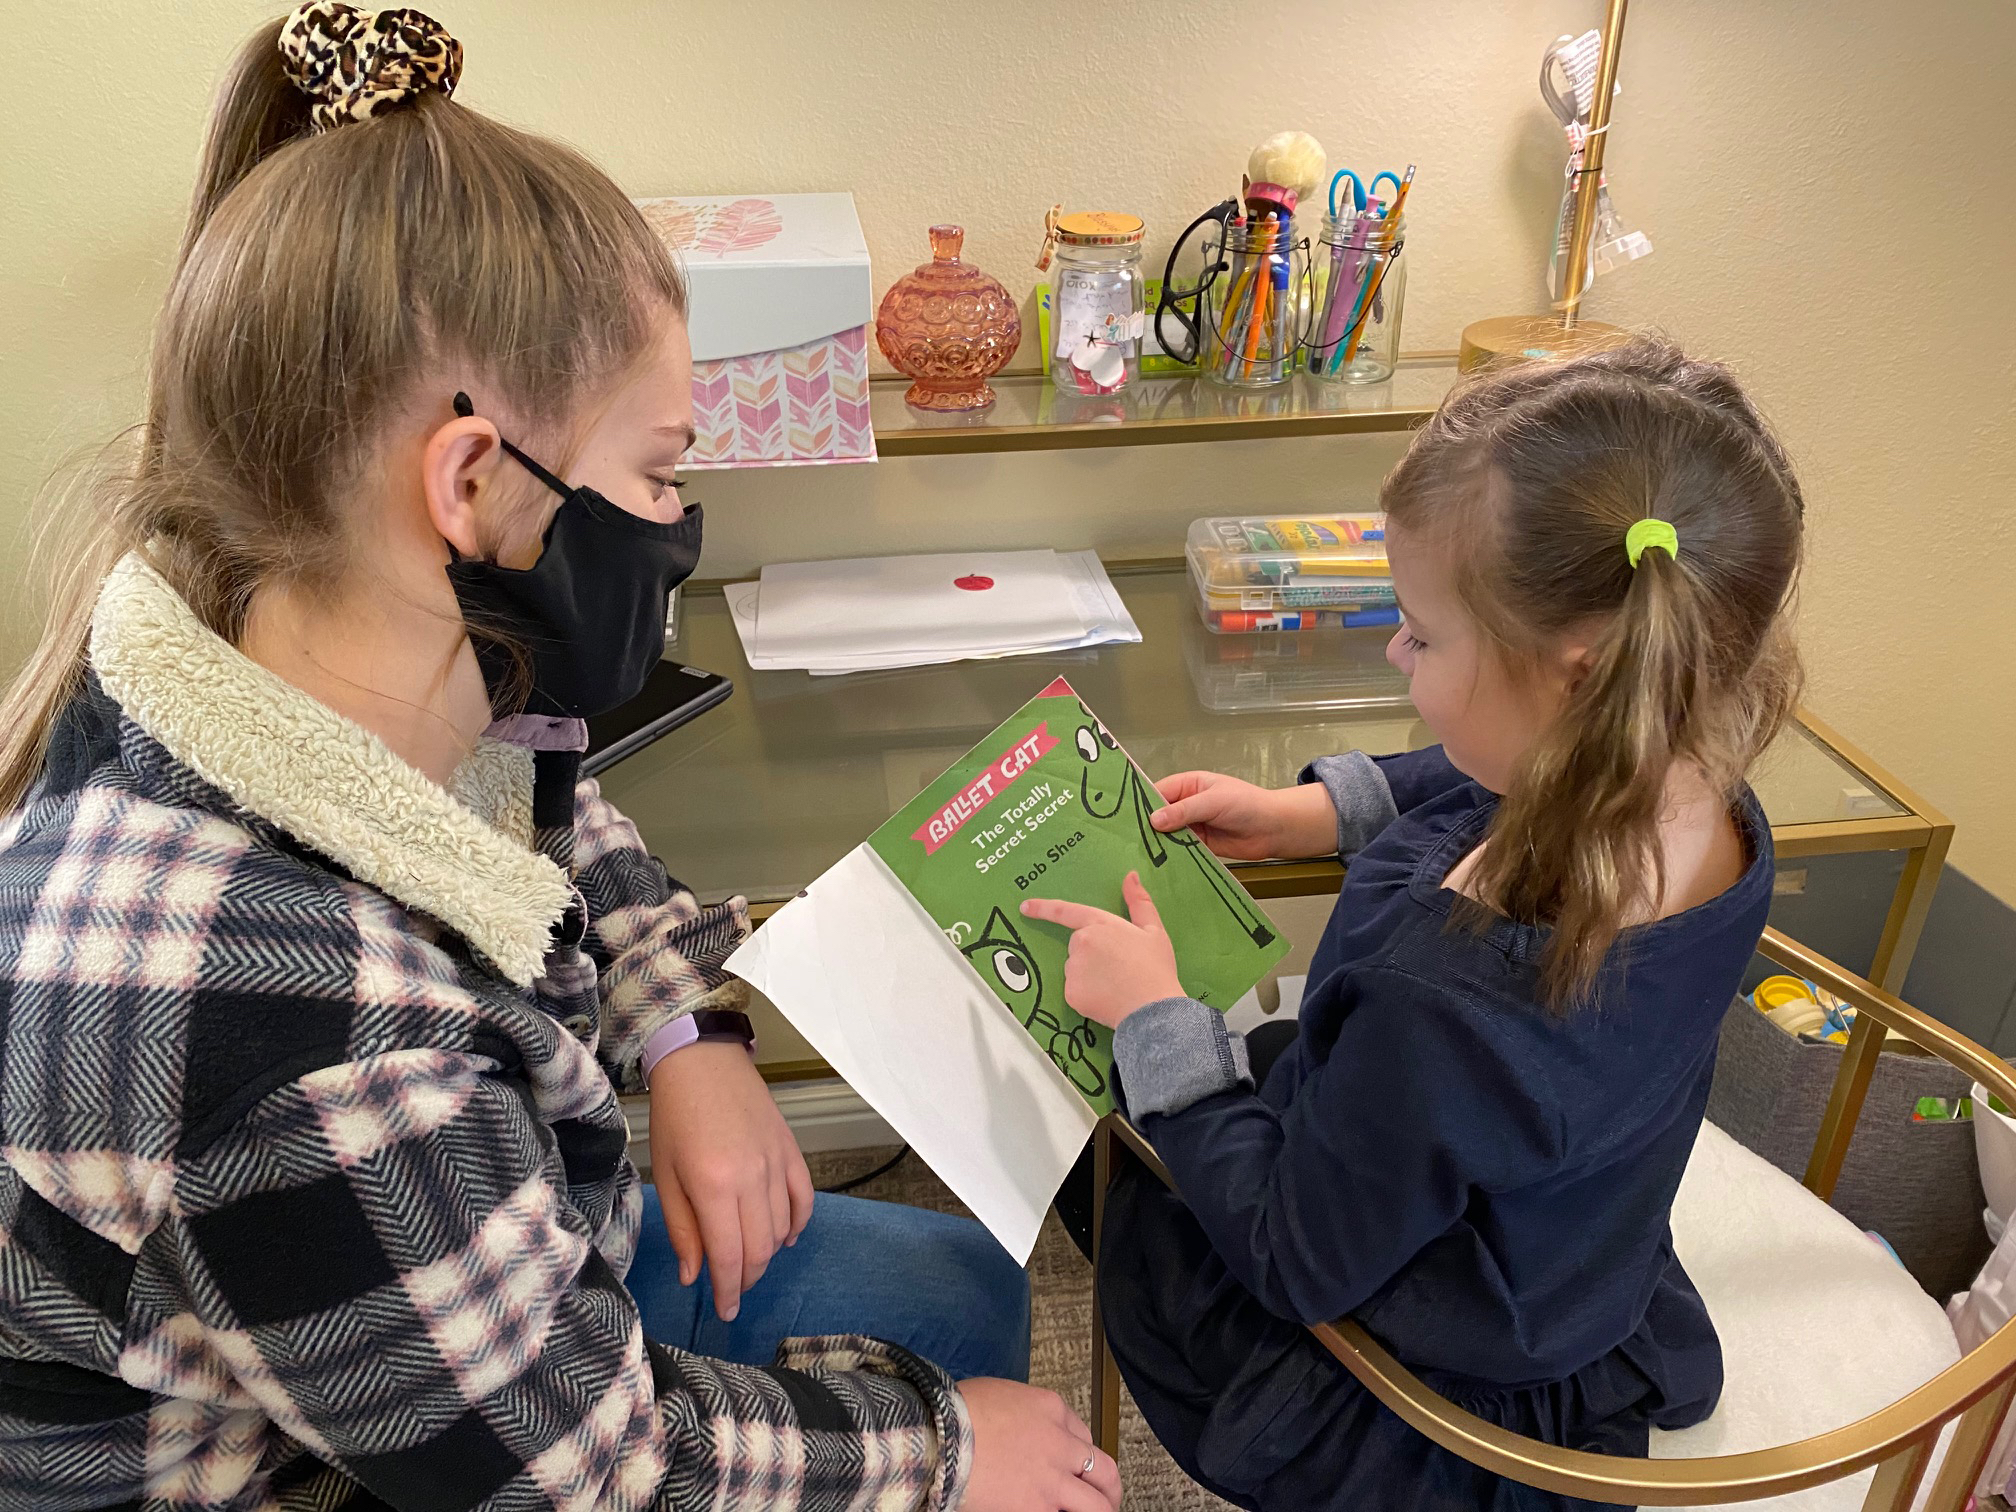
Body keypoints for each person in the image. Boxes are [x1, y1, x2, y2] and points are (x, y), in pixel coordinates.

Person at [0, 8, 1121, 1511]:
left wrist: (686, 1038)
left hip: (452, 1253)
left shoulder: (256, 634)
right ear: (472, 480)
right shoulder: (310, 1051)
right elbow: (593, 1474)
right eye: (659, 470)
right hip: (325, 1457)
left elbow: (543, 795)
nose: (677, 517)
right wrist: (948, 1454)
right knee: (965, 1395)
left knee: (957, 1291)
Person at [1029, 339, 1805, 1510]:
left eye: (1423, 634)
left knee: (1094, 1146)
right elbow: (1501, 773)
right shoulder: (1706, 797)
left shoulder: (1443, 992)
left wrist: (1155, 1020)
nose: (1397, 653)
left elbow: (1297, 1257)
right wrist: (1315, 812)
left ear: (1579, 678)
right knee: (1273, 1061)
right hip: (1568, 1253)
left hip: (1423, 1393)